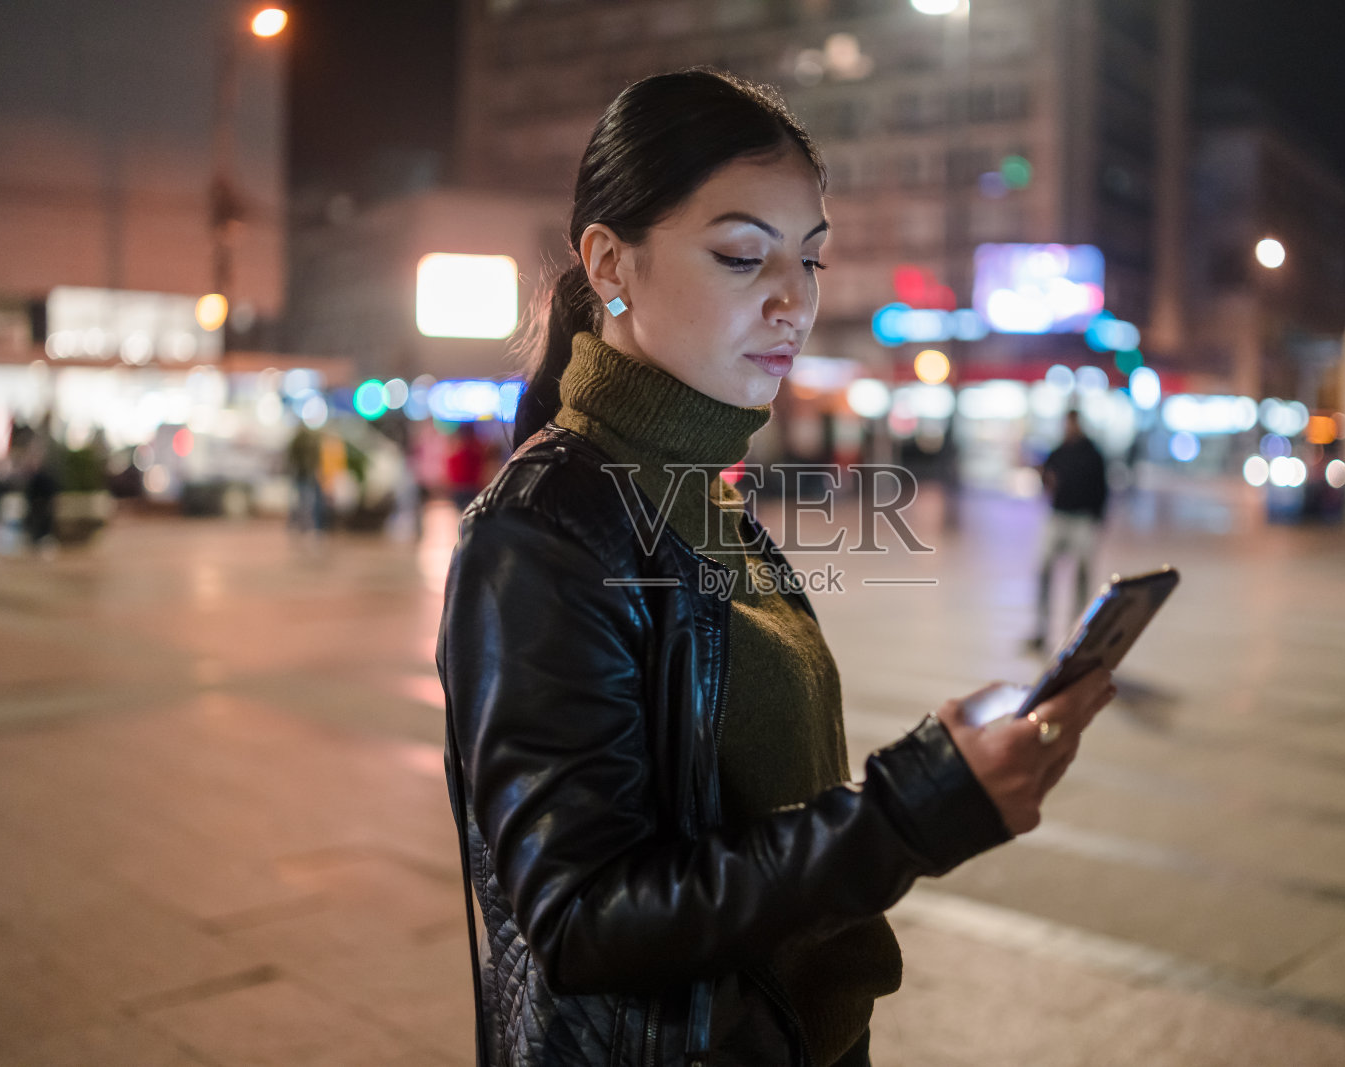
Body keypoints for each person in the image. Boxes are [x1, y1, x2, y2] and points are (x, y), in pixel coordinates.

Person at [437, 68, 1115, 1067]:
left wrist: (944, 769)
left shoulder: (699, 493)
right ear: (609, 261)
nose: (792, 299)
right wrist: (908, 811)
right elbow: (582, 918)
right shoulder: (542, 535)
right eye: (742, 254)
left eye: (811, 260)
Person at [1026, 409, 1109, 651]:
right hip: (1059, 517)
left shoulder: (1092, 453)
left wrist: (1098, 519)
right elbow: (1046, 479)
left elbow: (1102, 489)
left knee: (1082, 575)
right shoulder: (1059, 451)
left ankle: (1079, 630)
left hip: (1082, 519)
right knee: (1044, 569)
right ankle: (1042, 627)